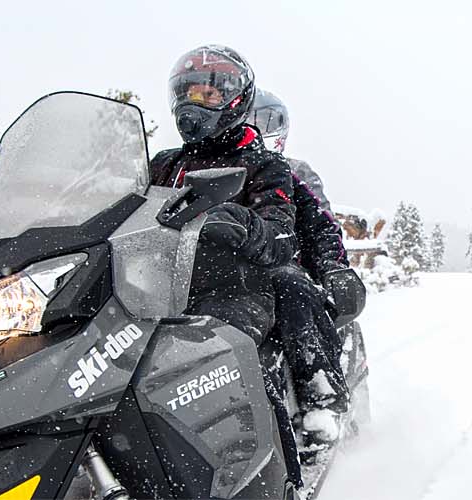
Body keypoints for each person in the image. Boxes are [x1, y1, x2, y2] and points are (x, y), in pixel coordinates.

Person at [148, 45, 359, 484]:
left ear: (235, 97)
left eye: (207, 94)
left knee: (288, 289)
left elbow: (286, 230)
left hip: (237, 286)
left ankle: (314, 406)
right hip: (155, 286)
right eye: (186, 93)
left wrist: (242, 223)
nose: (194, 103)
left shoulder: (263, 164)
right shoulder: (164, 166)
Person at [243, 90, 363, 421]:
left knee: (290, 290)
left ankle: (319, 398)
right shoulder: (195, 168)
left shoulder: (291, 172)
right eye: (251, 119)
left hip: (287, 265)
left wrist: (331, 266)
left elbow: (320, 223)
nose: (257, 127)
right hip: (222, 273)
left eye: (265, 120)